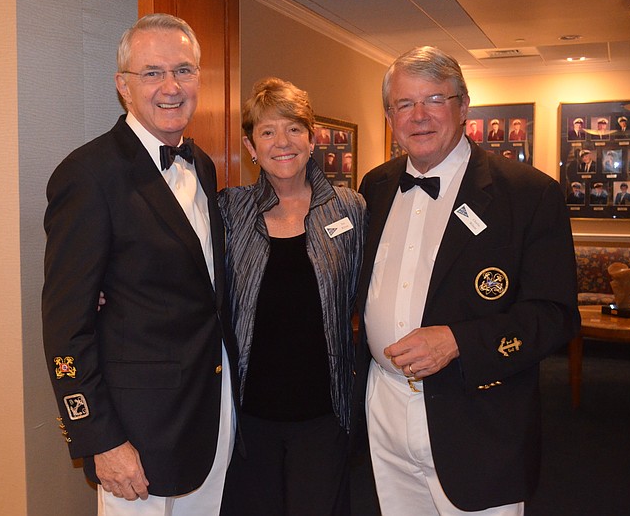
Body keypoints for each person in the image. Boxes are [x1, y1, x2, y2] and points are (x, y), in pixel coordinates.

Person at [353, 46, 580, 515]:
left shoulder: (529, 194)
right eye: (403, 104)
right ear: (389, 115)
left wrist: (459, 340)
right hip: (385, 409)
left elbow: (554, 316)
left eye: (434, 99)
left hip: (477, 417)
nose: (419, 116)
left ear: (463, 106)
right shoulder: (375, 186)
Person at [42, 13, 239, 516]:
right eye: (152, 73)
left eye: (184, 70)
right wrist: (99, 438)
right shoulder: (88, 176)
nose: (171, 87)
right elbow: (66, 326)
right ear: (123, 87)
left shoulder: (203, 164)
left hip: (209, 411)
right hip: (134, 432)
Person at [218, 77, 366, 516]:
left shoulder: (349, 208)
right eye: (267, 132)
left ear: (313, 136)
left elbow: (373, 289)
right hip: (249, 415)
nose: (282, 142)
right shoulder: (230, 209)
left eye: (293, 129)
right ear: (250, 146)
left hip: (324, 414)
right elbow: (186, 268)